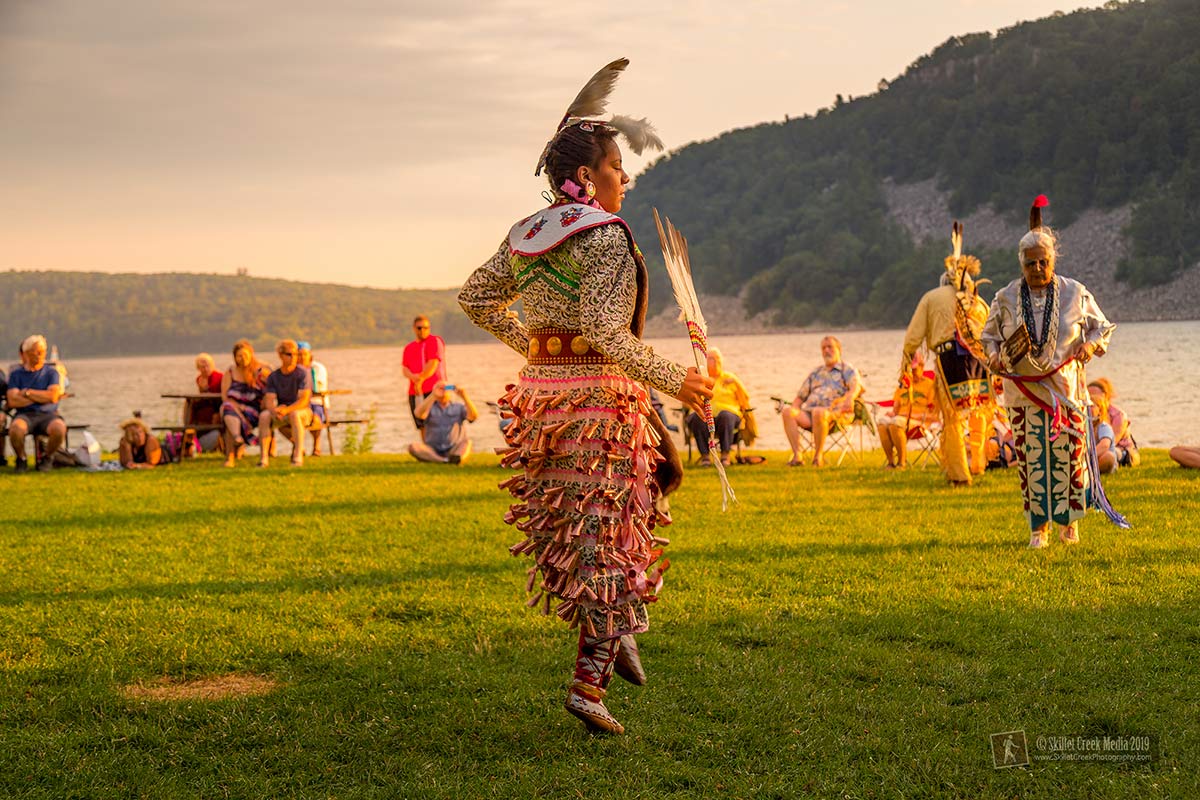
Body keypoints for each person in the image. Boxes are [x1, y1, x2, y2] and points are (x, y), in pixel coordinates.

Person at [458, 58, 713, 736]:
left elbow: (476, 298)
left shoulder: (531, 234)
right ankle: (589, 682)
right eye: (617, 166)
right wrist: (675, 379)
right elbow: (604, 331)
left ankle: (622, 629)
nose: (625, 177)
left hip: (541, 403)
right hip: (598, 404)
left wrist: (539, 351)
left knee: (603, 523)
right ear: (590, 177)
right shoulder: (602, 235)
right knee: (608, 534)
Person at [982, 196, 1117, 548]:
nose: (1038, 268)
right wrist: (995, 356)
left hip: (1066, 394)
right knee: (1032, 463)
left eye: (1044, 261)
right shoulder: (1005, 297)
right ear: (1021, 264)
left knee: (1069, 460)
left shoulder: (1075, 293)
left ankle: (1069, 526)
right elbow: (988, 337)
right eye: (1031, 264)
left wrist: (1089, 346)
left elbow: (1101, 328)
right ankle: (1037, 529)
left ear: (1054, 260)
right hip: (1023, 397)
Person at [901, 221, 993, 484]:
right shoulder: (980, 302)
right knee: (979, 411)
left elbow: (913, 336)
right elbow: (991, 335)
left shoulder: (933, 297)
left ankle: (959, 474)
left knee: (953, 419)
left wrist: (907, 360)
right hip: (980, 362)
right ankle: (978, 463)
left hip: (950, 360)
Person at [781, 336, 862, 467]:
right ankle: (797, 456)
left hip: (836, 413)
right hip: (810, 414)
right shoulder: (816, 372)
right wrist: (794, 409)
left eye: (830, 347)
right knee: (787, 412)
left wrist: (850, 398)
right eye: (823, 348)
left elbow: (856, 387)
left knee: (819, 412)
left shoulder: (847, 369)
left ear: (839, 350)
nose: (826, 350)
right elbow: (800, 397)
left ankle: (818, 457)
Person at [6, 334, 67, 472]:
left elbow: (53, 396)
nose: (41, 355)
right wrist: (41, 396)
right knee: (15, 429)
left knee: (59, 429)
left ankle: (47, 458)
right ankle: (21, 459)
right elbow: (13, 400)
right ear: (26, 353)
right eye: (37, 352)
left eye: (43, 351)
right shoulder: (16, 374)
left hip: (48, 415)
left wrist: (27, 393)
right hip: (25, 415)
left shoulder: (51, 373)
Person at [686, 348, 749, 467]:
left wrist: (736, 382)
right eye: (710, 359)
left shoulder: (730, 378)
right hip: (705, 415)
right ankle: (705, 457)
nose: (714, 362)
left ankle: (725, 455)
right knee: (697, 416)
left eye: (717, 359)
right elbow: (688, 400)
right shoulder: (700, 378)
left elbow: (745, 398)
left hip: (728, 415)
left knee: (726, 416)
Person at [876, 352, 938, 469]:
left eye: (914, 370)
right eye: (909, 369)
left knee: (895, 424)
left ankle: (901, 463)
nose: (912, 373)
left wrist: (913, 416)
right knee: (882, 423)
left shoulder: (930, 385)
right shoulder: (903, 386)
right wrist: (892, 414)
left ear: (922, 366)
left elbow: (934, 413)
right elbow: (896, 408)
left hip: (920, 423)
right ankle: (890, 463)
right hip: (901, 419)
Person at [259, 339, 313, 468]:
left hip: (301, 411)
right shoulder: (274, 376)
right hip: (282, 411)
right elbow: (269, 399)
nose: (294, 357)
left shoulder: (303, 373)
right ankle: (263, 459)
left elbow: (303, 400)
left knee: (295, 414)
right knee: (264, 416)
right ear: (281, 355)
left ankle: (297, 456)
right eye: (290, 354)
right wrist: (274, 410)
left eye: (296, 354)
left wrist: (287, 410)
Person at [220, 339, 272, 468]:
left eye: (245, 355)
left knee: (228, 416)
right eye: (239, 356)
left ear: (251, 354)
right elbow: (225, 396)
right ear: (235, 357)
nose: (242, 359)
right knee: (227, 409)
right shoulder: (230, 371)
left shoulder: (261, 369)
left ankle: (235, 445)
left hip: (254, 410)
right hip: (233, 408)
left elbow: (270, 390)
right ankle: (237, 440)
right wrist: (239, 407)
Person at [408, 381, 478, 463]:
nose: (443, 390)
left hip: (454, 448)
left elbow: (473, 416)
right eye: (440, 388)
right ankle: (443, 460)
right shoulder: (429, 407)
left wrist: (464, 396)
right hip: (432, 450)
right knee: (413, 447)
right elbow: (418, 414)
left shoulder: (458, 407)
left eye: (446, 388)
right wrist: (433, 395)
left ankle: (456, 458)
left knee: (467, 443)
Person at [402, 315, 445, 437]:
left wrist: (420, 379)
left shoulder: (434, 341)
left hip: (434, 390)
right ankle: (427, 453)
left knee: (438, 422)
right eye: (419, 328)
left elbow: (433, 364)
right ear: (414, 328)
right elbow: (405, 369)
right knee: (421, 424)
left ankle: (441, 451)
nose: (423, 330)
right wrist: (414, 378)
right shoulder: (409, 347)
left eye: (426, 327)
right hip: (415, 391)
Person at [1087, 377, 1139, 468]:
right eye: (1089, 397)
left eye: (1095, 397)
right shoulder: (1086, 415)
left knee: (1111, 453)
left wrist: (1090, 454)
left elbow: (1113, 440)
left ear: (1106, 397)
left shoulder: (1118, 415)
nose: (1091, 401)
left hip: (1120, 448)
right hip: (1098, 448)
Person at [298, 341, 329, 456]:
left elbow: (316, 388)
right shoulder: (293, 370)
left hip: (316, 402)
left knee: (315, 420)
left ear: (310, 355)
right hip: (300, 402)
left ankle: (317, 446)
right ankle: (298, 446)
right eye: (299, 355)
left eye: (304, 354)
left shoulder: (317, 368)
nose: (301, 357)